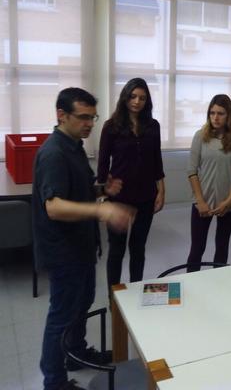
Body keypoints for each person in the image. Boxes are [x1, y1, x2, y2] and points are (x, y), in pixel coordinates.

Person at [33, 88, 135, 390]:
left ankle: (75, 353)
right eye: (83, 117)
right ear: (61, 115)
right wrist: (101, 210)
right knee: (62, 316)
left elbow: (76, 190)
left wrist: (102, 190)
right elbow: (54, 206)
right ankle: (54, 381)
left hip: (82, 246)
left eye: (93, 117)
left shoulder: (74, 146)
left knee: (82, 302)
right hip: (63, 251)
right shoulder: (53, 153)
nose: (89, 124)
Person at [97, 78, 165, 289]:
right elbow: (102, 164)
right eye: (133, 96)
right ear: (125, 97)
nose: (137, 101)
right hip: (118, 198)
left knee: (138, 248)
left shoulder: (153, 126)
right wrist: (103, 197)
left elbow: (156, 161)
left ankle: (136, 291)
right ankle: (114, 296)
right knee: (116, 250)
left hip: (146, 196)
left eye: (142, 98)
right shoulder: (111, 127)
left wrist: (161, 191)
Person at [187, 94, 231, 270]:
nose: (215, 117)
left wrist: (229, 202)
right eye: (212, 113)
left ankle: (219, 281)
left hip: (229, 203)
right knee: (197, 247)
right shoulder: (200, 136)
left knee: (222, 245)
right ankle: (191, 280)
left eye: (220, 113)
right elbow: (192, 171)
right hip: (202, 201)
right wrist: (200, 201)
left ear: (229, 116)